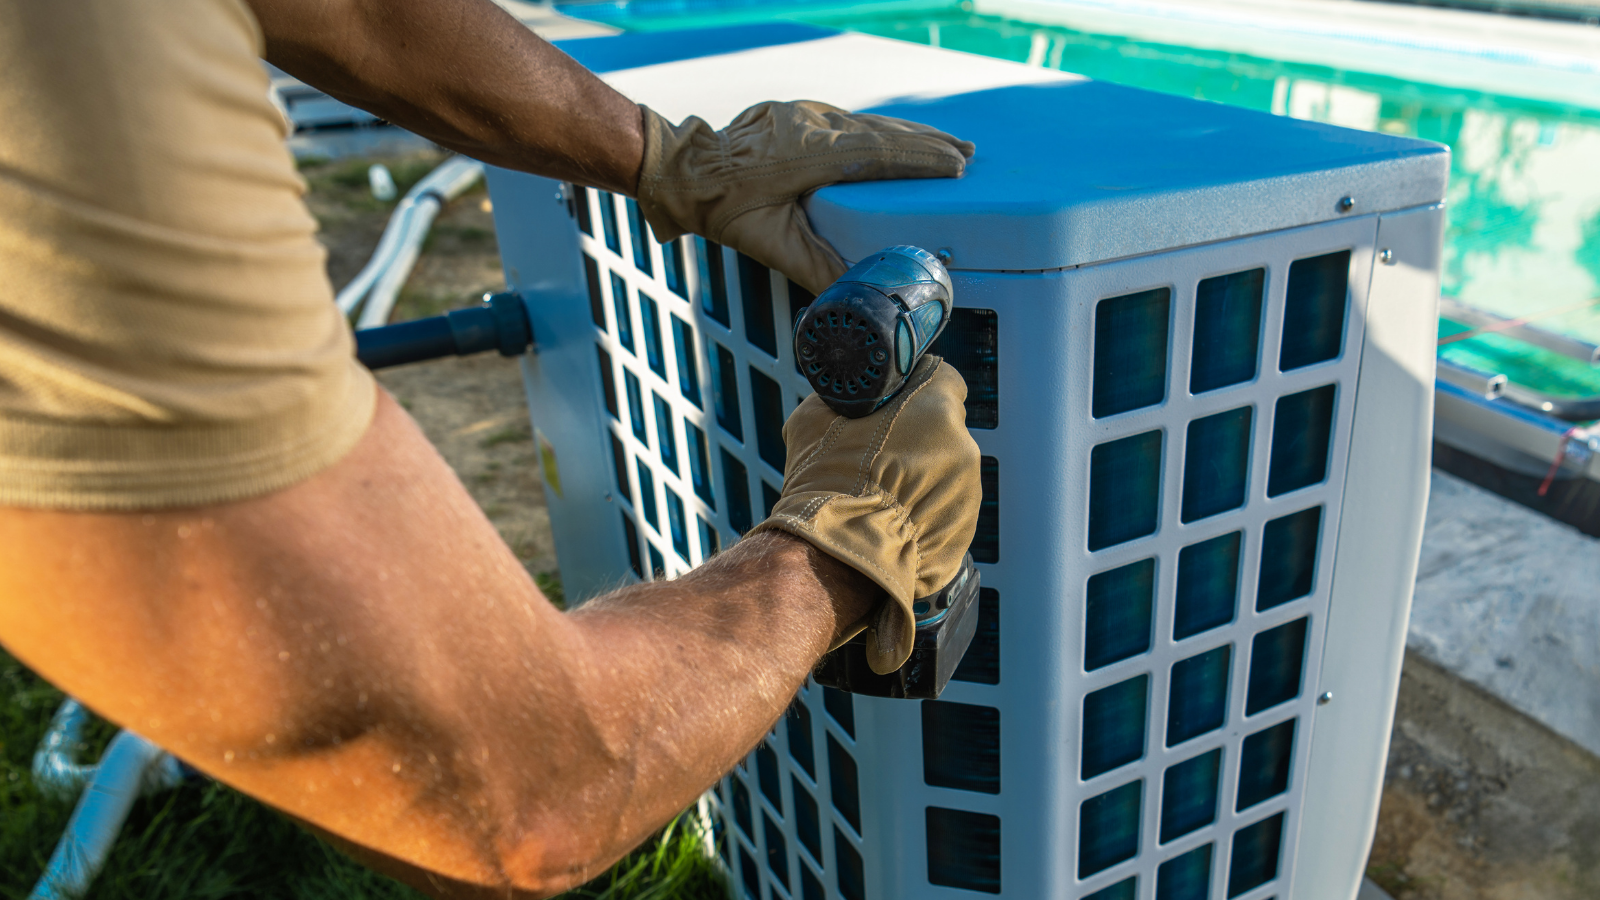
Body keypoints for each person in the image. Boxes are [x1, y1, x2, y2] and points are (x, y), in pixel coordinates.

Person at [0, 0, 982, 896]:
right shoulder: (63, 94)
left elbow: (357, 13)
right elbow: (517, 801)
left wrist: (674, 159)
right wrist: (851, 543)